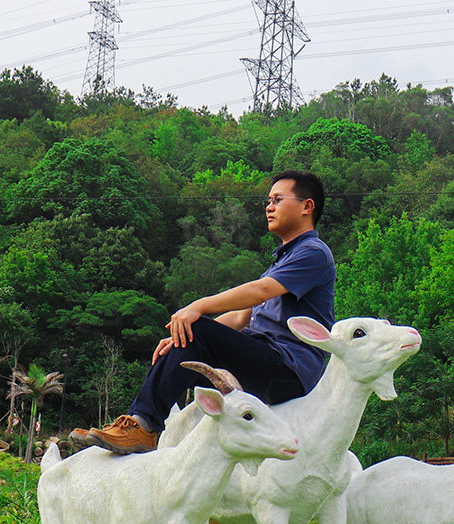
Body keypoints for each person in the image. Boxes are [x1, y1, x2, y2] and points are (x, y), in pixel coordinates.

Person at [74, 169, 335, 455]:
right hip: (265, 359)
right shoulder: (281, 263)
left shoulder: (313, 252)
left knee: (194, 330)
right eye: (267, 202)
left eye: (277, 199)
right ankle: (138, 425)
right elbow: (238, 318)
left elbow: (260, 291)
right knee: (183, 340)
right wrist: (182, 335)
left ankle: (145, 427)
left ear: (307, 206)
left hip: (288, 369)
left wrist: (196, 308)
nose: (269, 207)